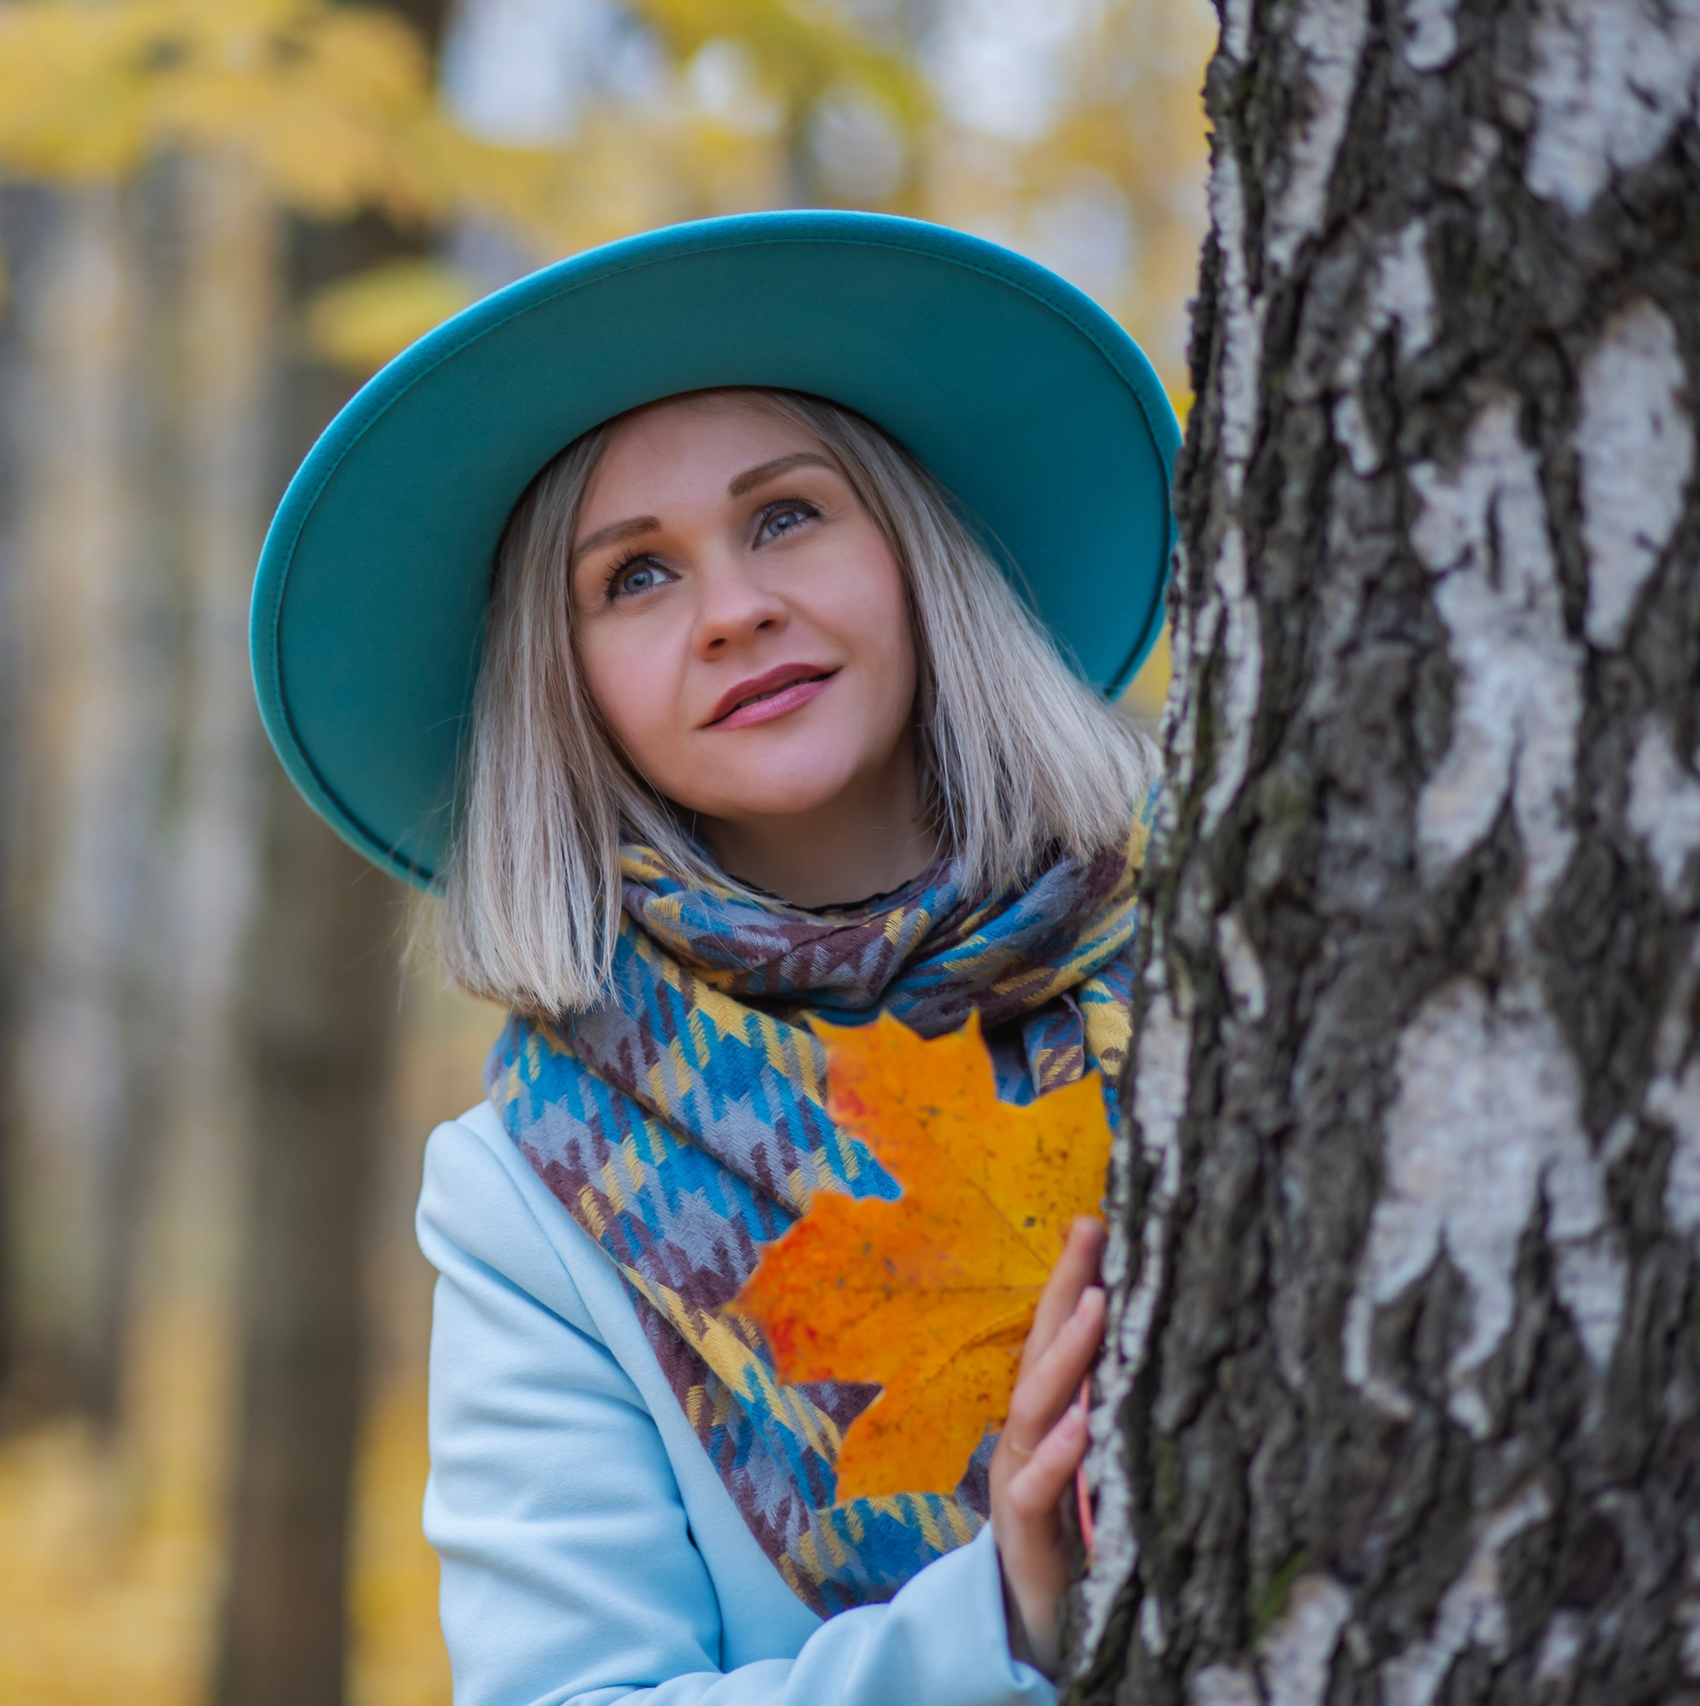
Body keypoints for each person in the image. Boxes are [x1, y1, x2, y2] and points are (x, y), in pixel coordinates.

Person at [249, 211, 1178, 1705]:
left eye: (787, 515)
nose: (737, 610)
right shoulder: (532, 1192)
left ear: (915, 551)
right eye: (634, 577)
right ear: (565, 689)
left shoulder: (1222, 958)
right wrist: (999, 1622)